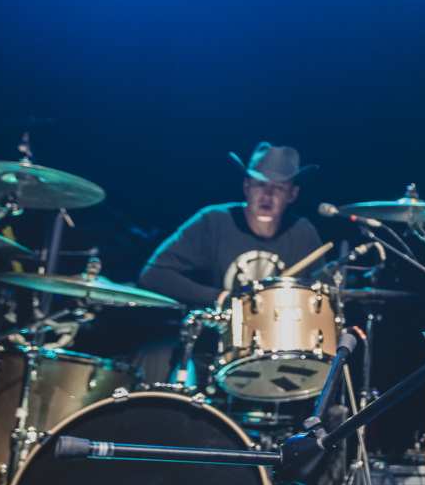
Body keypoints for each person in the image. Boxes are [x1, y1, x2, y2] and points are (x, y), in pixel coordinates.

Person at [132, 142, 322, 381]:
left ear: (293, 194)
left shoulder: (304, 233)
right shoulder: (214, 222)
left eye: (279, 188)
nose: (267, 196)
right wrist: (221, 298)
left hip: (281, 359)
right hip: (209, 353)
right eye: (260, 185)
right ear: (246, 186)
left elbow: (322, 300)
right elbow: (152, 275)